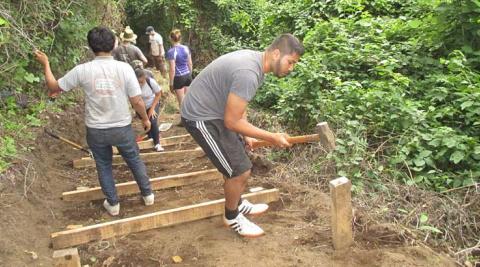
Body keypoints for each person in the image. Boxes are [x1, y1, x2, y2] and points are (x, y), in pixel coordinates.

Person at [181, 34, 304, 237]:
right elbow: (231, 121)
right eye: (290, 62)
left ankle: (238, 202)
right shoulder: (249, 71)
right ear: (276, 53)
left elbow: (239, 104)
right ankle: (231, 217)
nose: (291, 68)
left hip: (217, 111)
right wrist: (272, 137)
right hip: (200, 117)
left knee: (235, 161)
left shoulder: (257, 64)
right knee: (240, 171)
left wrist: (246, 133)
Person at [34, 26, 155, 216]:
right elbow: (137, 100)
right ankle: (148, 195)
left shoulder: (83, 70)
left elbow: (53, 86)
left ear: (91, 47)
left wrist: (46, 63)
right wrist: (145, 119)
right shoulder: (124, 69)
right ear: (114, 44)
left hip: (96, 129)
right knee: (133, 159)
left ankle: (113, 204)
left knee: (104, 164)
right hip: (121, 126)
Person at [135, 68, 164, 152]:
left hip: (152, 103)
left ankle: (157, 143)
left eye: (141, 81)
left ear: (144, 77)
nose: (140, 83)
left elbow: (158, 94)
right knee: (145, 123)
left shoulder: (150, 82)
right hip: (140, 106)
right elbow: (134, 100)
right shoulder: (132, 85)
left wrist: (152, 109)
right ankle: (151, 136)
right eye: (138, 81)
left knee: (153, 121)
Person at [166, 29, 192, 108]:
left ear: (170, 38)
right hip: (187, 75)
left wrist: (171, 84)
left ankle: (184, 119)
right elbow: (190, 63)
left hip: (178, 77)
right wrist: (189, 75)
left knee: (182, 102)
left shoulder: (171, 52)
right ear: (180, 38)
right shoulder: (186, 48)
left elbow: (172, 69)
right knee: (188, 99)